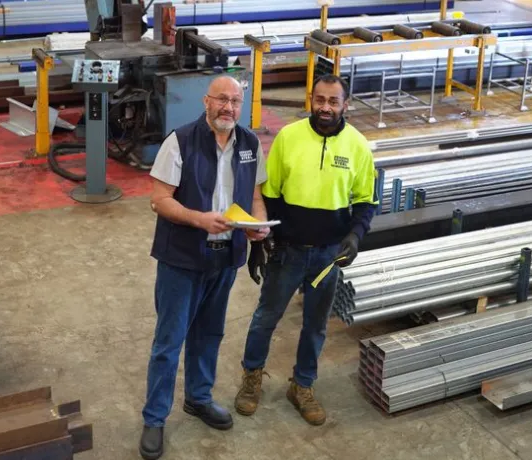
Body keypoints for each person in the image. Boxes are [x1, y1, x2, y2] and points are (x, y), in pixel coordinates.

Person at [234, 74, 378, 426]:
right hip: (289, 250)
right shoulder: (289, 138)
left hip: (329, 256)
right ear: (309, 100)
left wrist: (355, 236)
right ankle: (251, 378)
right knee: (266, 318)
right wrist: (260, 243)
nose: (325, 107)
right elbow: (269, 194)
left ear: (346, 105)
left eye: (333, 101)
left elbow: (365, 201)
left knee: (315, 326)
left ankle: (302, 385)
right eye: (320, 100)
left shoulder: (358, 146)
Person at [140, 75, 270, 460]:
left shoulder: (249, 143)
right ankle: (155, 418)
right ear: (206, 101)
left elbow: (256, 195)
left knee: (209, 334)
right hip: (182, 257)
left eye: (234, 101)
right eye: (221, 100)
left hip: (225, 258)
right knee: (169, 341)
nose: (228, 107)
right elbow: (159, 200)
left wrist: (257, 223)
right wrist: (200, 220)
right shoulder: (179, 141)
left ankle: (198, 398)